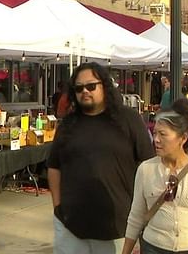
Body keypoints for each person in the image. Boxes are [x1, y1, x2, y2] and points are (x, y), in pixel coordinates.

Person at [48, 62, 154, 254]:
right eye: (78, 88)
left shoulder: (128, 119)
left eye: (91, 86)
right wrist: (57, 207)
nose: (84, 92)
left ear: (104, 85)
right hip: (70, 226)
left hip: (118, 226)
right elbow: (54, 167)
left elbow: (149, 165)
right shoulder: (67, 125)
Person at [121, 111, 188, 254]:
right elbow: (136, 216)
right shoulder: (145, 169)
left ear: (183, 138)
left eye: (162, 134)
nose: (156, 139)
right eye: (154, 133)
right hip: (153, 248)